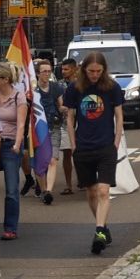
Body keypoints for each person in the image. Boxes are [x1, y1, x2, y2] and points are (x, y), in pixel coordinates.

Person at [63, 52, 123, 255]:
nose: (95, 75)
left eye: (98, 71)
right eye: (91, 71)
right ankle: (104, 226)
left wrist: (116, 141)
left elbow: (119, 116)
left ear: (104, 70)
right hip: (83, 147)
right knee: (91, 192)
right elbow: (70, 118)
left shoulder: (112, 87)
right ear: (84, 70)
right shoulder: (75, 88)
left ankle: (98, 232)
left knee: (104, 191)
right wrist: (73, 144)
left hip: (106, 147)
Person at [0, 61, 29, 240]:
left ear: (6, 79)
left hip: (10, 143)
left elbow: (21, 124)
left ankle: (10, 227)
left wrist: (17, 145)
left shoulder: (18, 97)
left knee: (11, 189)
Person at [34, 58, 67, 204]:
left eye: (49, 71)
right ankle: (42, 189)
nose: (47, 74)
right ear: (37, 73)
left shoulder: (56, 87)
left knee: (52, 160)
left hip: (54, 127)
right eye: (44, 71)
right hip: (37, 129)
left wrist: (63, 109)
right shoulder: (32, 91)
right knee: (40, 163)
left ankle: (48, 191)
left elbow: (61, 105)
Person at [55, 58, 80, 196]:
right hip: (65, 124)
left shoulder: (81, 85)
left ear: (74, 69)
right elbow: (58, 104)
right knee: (67, 153)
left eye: (67, 69)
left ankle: (83, 180)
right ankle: (69, 185)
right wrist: (60, 108)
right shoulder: (59, 86)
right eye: (62, 69)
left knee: (81, 154)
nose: (63, 72)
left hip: (82, 124)